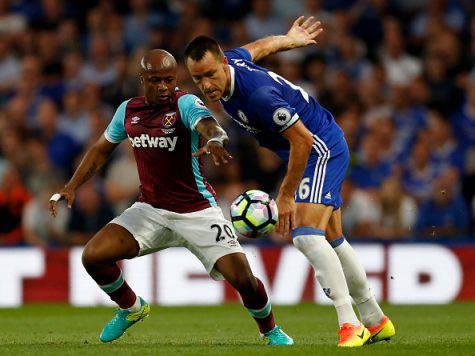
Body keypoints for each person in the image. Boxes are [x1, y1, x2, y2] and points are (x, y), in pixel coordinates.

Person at [49, 49, 293, 345]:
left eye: (168, 79)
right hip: (149, 210)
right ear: (142, 79)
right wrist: (72, 185)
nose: (163, 86)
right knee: (93, 257)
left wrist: (215, 138)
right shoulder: (128, 111)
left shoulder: (185, 103)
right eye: (155, 80)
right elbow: (101, 149)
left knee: (243, 279)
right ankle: (131, 309)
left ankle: (270, 330)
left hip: (197, 211)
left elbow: (208, 124)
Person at [185, 16, 395, 347]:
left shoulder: (258, 97)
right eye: (198, 79)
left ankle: (349, 325)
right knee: (332, 237)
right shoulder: (234, 62)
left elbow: (303, 141)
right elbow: (258, 47)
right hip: (310, 147)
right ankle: (375, 320)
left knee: (306, 236)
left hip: (319, 148)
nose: (207, 85)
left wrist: (285, 196)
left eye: (211, 74)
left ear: (222, 63)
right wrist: (288, 38)